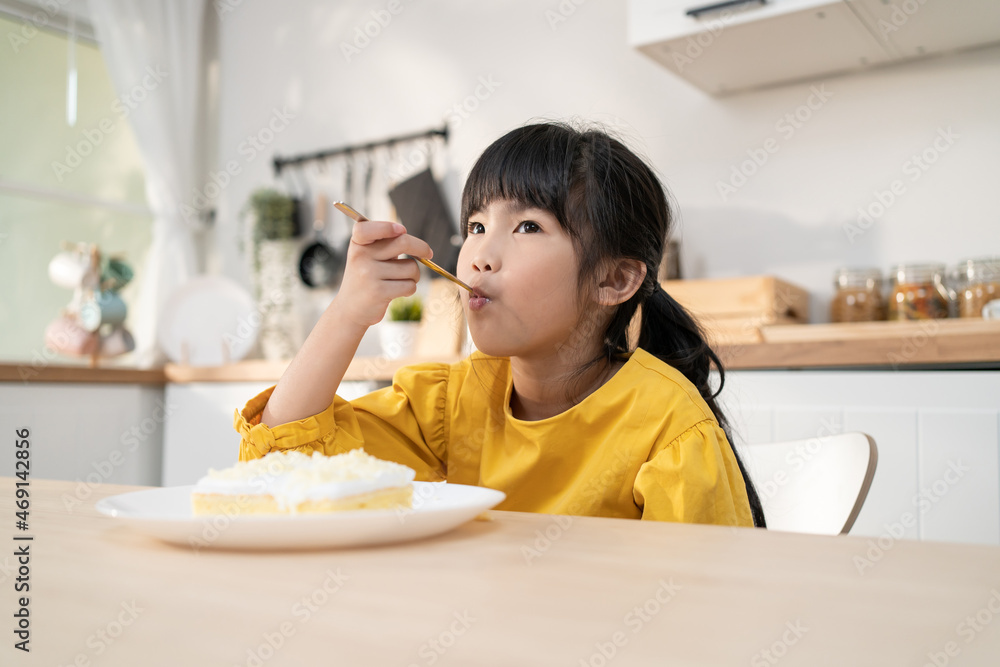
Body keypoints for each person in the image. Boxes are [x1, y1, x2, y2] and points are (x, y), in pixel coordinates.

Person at [235, 121, 766, 528]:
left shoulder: (671, 429)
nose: (480, 255)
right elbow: (281, 468)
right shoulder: (451, 403)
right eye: (476, 225)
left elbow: (702, 607)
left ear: (615, 280)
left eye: (528, 226)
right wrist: (347, 311)